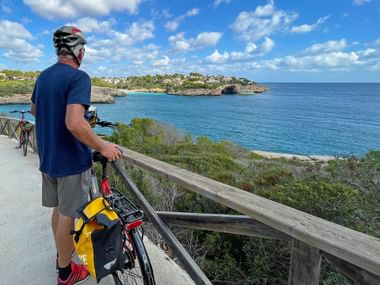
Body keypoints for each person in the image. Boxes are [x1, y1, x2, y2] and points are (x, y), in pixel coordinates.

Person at [30, 26, 122, 285]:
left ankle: (62, 257)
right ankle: (65, 272)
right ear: (77, 51)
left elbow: (35, 110)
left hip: (48, 158)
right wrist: (102, 146)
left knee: (59, 212)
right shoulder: (79, 77)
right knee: (69, 216)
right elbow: (74, 122)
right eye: (83, 49)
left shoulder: (43, 76)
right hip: (70, 161)